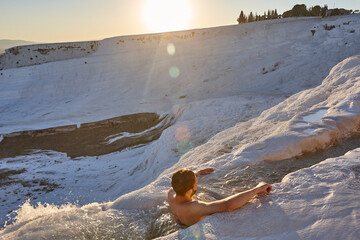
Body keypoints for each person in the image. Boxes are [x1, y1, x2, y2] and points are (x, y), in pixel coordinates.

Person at [168, 168, 272, 226]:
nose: (197, 184)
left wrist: (196, 174)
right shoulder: (194, 208)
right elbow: (228, 205)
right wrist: (257, 189)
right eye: (195, 183)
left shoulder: (171, 194)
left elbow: (179, 181)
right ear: (190, 189)